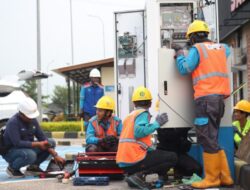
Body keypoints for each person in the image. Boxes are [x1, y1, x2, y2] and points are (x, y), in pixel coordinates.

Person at [174, 20, 233, 188]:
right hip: (219, 101)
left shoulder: (197, 49)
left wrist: (179, 54)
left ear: (192, 37)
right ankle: (225, 177)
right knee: (212, 138)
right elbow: (226, 51)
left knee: (207, 139)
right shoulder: (222, 48)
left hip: (205, 99)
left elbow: (185, 68)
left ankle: (212, 179)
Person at [116, 86, 177, 190]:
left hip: (124, 162)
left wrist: (151, 150)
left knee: (156, 154)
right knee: (172, 157)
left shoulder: (129, 116)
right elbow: (139, 132)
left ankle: (133, 177)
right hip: (134, 160)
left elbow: (136, 141)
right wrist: (156, 124)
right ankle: (139, 175)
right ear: (150, 103)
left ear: (134, 103)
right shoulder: (143, 114)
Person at [3, 97, 65, 178]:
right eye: (29, 116)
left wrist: (55, 155)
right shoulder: (13, 123)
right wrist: (38, 144)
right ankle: (13, 168)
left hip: (26, 149)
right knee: (30, 155)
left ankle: (33, 167)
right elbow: (17, 143)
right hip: (11, 151)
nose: (31, 118)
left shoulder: (32, 120)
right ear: (21, 114)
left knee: (51, 143)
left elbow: (42, 138)